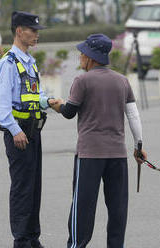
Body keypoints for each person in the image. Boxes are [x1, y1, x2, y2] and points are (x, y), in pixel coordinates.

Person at [51, 34, 148, 248]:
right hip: (117, 155)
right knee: (117, 208)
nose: (80, 58)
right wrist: (138, 147)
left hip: (90, 156)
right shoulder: (122, 81)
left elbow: (69, 112)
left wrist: (55, 104)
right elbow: (133, 116)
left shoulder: (82, 81)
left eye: (82, 54)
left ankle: (77, 245)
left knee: (83, 207)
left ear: (91, 57)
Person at [0, 11, 58, 248]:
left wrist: (48, 102)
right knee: (22, 188)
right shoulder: (8, 63)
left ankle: (32, 237)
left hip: (33, 131)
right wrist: (14, 130)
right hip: (18, 134)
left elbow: (32, 95)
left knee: (34, 187)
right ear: (19, 31)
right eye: (33, 30)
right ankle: (21, 240)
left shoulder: (29, 62)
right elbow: (0, 104)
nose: (37, 35)